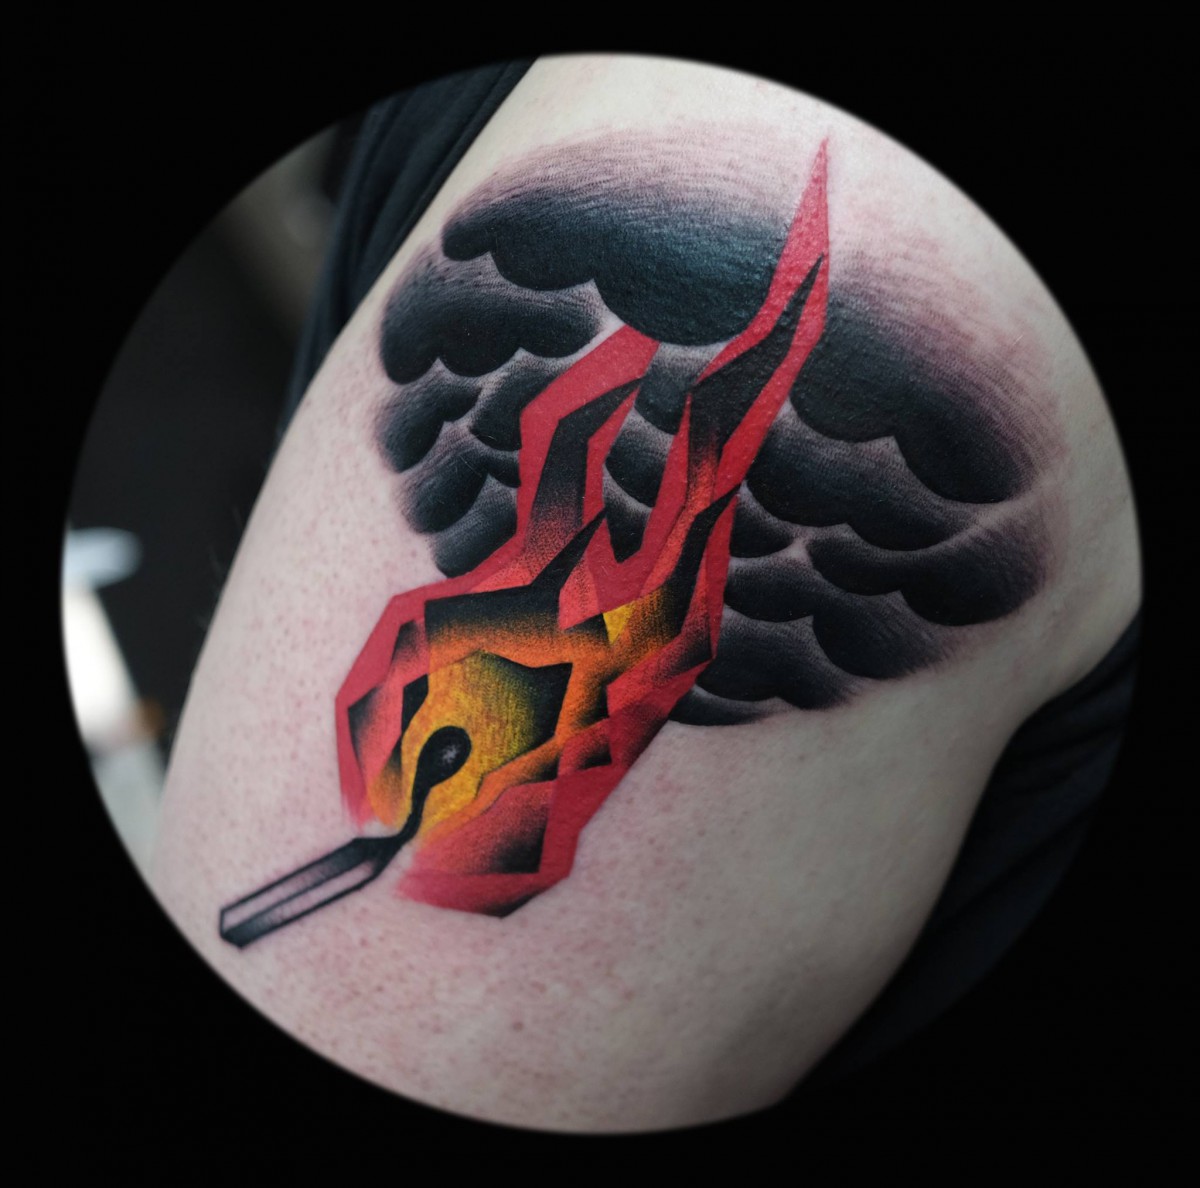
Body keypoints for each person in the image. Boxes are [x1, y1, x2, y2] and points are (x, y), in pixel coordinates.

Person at [149, 55, 1141, 1132]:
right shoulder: (906, 216)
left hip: (574, 658)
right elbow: (364, 1012)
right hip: (565, 670)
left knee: (665, 468)